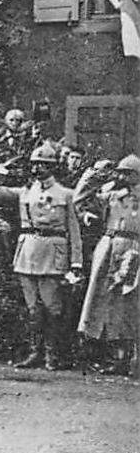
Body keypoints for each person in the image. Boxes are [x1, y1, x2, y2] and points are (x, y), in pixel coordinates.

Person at [0, 143, 82, 370]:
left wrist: (76, 263)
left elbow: (74, 232)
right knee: (32, 308)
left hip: (53, 252)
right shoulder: (24, 191)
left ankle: (52, 354)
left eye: (44, 165)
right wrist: (2, 169)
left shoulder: (66, 194)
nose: (38, 169)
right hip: (27, 251)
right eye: (35, 164)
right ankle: (35, 352)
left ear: (54, 167)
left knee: (52, 306)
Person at [74, 155, 140, 375]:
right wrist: (93, 175)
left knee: (127, 303)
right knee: (102, 298)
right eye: (119, 172)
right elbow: (80, 199)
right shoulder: (111, 195)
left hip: (134, 247)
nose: (121, 176)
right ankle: (108, 353)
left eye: (127, 173)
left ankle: (126, 358)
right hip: (109, 246)